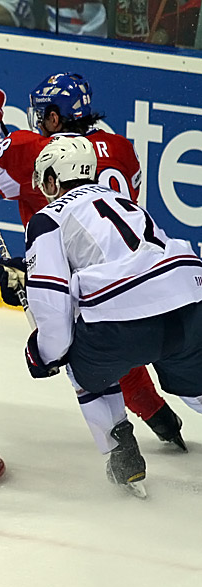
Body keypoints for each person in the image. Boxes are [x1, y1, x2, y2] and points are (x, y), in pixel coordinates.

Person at [0, 71, 186, 450]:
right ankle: (162, 418)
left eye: (43, 114)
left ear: (55, 117)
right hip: (144, 272)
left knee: (80, 351)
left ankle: (122, 447)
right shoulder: (121, 148)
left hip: (76, 280)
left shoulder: (31, 150)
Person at [20, 136, 202, 494]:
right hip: (189, 302)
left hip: (124, 325)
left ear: (54, 179)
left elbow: (54, 309)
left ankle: (122, 454)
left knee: (72, 352)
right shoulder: (121, 200)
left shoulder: (47, 218)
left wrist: (41, 354)